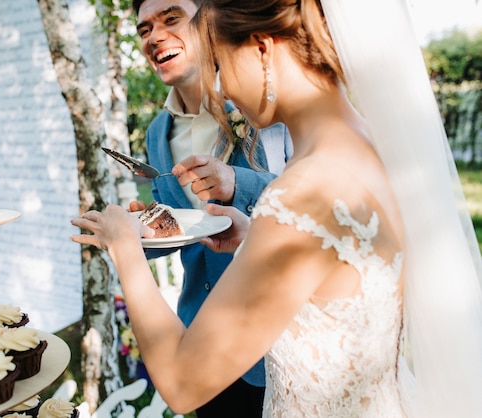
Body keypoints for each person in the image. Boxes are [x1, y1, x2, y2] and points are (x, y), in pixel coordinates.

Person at [73, 0, 482, 416]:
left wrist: (124, 247)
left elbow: (181, 383)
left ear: (263, 50)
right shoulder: (370, 143)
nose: (224, 89)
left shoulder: (301, 193)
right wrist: (253, 235)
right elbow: (344, 258)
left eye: (222, 62)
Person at [130, 0, 292, 416]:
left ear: (209, 22)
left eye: (171, 18)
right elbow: (185, 231)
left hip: (276, 340)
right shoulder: (156, 133)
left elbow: (316, 202)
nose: (155, 37)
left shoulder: (266, 106)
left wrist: (239, 181)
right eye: (144, 29)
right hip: (202, 338)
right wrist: (139, 233)